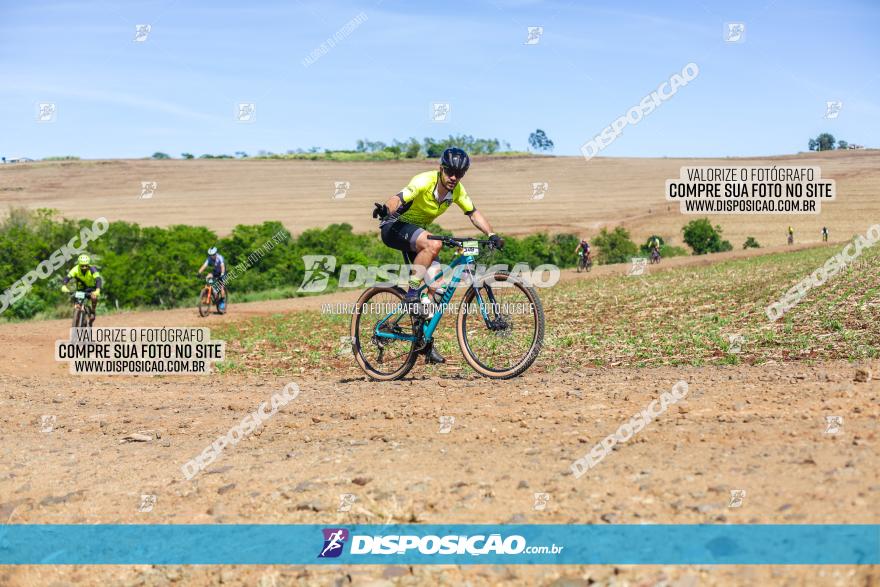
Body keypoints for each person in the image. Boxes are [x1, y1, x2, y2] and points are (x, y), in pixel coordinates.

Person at [372, 147, 503, 364]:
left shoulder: (457, 191)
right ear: (441, 168)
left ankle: (423, 344)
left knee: (438, 291)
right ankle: (412, 291)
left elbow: (473, 213)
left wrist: (491, 233)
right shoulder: (425, 181)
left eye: (459, 174)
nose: (454, 177)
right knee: (434, 243)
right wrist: (386, 209)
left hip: (418, 235)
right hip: (394, 226)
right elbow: (399, 197)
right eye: (450, 171)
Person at [60, 254, 102, 325]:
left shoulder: (93, 269)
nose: (84, 267)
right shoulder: (75, 269)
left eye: (86, 265)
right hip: (81, 289)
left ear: (88, 264)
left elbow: (98, 279)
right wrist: (64, 285)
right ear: (79, 264)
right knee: (77, 306)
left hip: (91, 289)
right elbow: (67, 277)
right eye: (82, 265)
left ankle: (93, 312)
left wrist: (97, 290)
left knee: (93, 297)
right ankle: (78, 318)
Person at [198, 247, 227, 312]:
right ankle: (209, 291)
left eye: (213, 254)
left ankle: (222, 301)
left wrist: (222, 274)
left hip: (222, 272)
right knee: (208, 277)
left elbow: (222, 266)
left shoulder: (220, 257)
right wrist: (199, 272)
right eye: (210, 255)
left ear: (216, 253)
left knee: (221, 287)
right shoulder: (209, 258)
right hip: (215, 272)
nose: (212, 256)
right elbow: (204, 265)